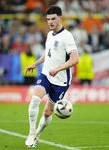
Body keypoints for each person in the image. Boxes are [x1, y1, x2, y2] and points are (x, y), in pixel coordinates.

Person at [25, 5, 79, 147]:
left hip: (61, 81)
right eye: (48, 19)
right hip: (46, 74)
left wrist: (58, 69)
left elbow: (75, 59)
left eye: (53, 19)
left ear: (60, 18)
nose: (50, 22)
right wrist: (35, 64)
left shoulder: (67, 36)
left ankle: (37, 134)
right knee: (35, 98)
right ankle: (31, 133)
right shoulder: (49, 34)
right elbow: (48, 53)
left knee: (47, 113)